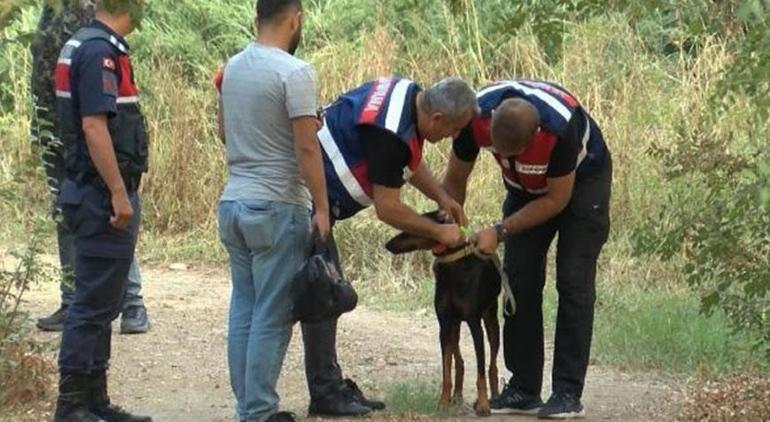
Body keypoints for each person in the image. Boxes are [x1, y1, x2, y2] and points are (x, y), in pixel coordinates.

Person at [302, 75, 478, 416]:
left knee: (321, 292)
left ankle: (327, 386)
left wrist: (442, 196)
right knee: (322, 292)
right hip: (305, 205)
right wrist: (440, 234)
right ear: (437, 119)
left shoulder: (408, 95)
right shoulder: (390, 133)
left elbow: (409, 161)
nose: (454, 138)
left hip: (315, 202)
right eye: (454, 130)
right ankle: (320, 393)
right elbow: (389, 208)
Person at [443, 80, 612, 419]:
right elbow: (456, 179)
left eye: (511, 154)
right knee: (518, 279)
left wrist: (500, 230)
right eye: (496, 150)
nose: (501, 158)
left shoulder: (559, 128)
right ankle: (523, 387)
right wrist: (452, 226)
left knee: (573, 281)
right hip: (523, 188)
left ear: (534, 136)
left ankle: (566, 392)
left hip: (580, 185)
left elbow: (556, 200)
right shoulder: (472, 116)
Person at [214, 1, 329, 421]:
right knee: (272, 312)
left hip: (233, 202)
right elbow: (305, 147)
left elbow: (224, 132)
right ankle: (259, 411)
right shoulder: (294, 72)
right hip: (278, 205)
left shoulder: (232, 67)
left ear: (256, 18)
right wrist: (321, 206)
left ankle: (249, 406)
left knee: (244, 304)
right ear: (296, 17)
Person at [52, 1, 151, 420]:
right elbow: (94, 126)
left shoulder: (88, 44)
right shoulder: (98, 51)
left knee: (103, 302)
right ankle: (74, 403)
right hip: (98, 197)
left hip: (90, 193)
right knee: (92, 304)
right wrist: (117, 193)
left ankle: (95, 400)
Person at [30, 0, 150, 335]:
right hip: (56, 130)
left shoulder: (91, 13)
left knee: (110, 218)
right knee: (72, 217)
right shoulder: (47, 10)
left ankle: (131, 303)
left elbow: (100, 75)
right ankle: (73, 299)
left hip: (87, 131)